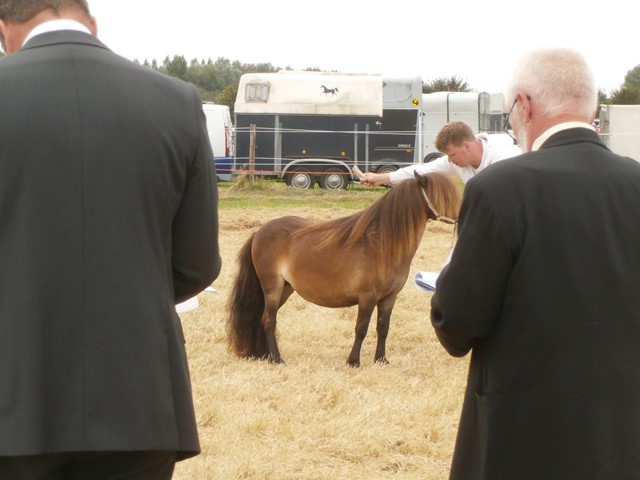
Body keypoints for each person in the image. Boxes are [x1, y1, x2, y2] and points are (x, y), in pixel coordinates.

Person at [0, 1, 221, 479]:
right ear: (92, 24)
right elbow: (198, 263)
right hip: (140, 401)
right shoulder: (177, 100)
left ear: (5, 29)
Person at [430, 48, 640, 479]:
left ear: (524, 105)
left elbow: (457, 323)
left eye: (510, 113)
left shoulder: (498, 189)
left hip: (524, 431)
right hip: (624, 431)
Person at [359, 120, 521, 186]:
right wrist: (379, 178)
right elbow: (422, 170)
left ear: (466, 146)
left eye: (451, 154)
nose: (449, 160)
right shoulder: (457, 162)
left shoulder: (506, 157)